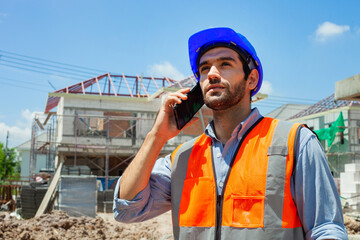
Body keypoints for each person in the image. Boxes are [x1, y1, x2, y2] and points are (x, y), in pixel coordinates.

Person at [113, 27, 348, 240]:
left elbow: (326, 228)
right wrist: (156, 136)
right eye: (204, 69)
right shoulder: (181, 159)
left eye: (225, 64)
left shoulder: (295, 142)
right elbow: (126, 210)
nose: (212, 74)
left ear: (251, 79)